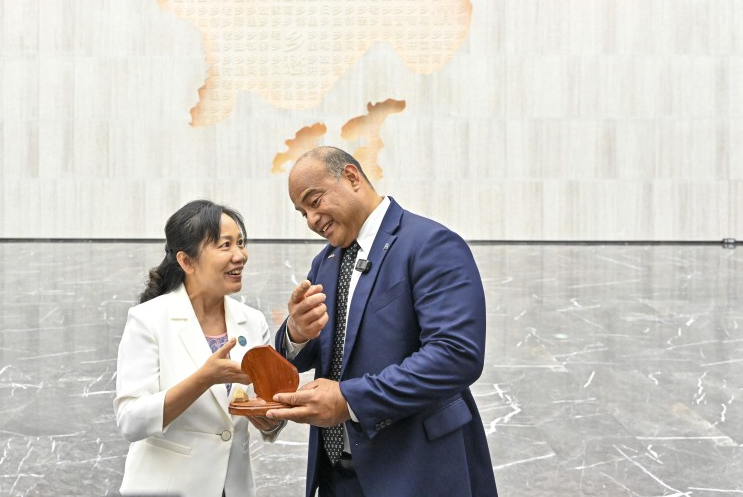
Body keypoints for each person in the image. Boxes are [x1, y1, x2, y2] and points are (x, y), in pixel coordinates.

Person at [267, 147, 498, 497]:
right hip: (337, 478)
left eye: (314, 202)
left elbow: (455, 355)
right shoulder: (325, 262)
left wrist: (349, 400)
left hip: (416, 472)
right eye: (303, 213)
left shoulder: (430, 244)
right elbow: (313, 351)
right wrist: (296, 333)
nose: (312, 220)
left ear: (352, 177)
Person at [114, 200, 284, 497]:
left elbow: (262, 409)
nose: (240, 255)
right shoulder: (148, 320)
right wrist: (204, 378)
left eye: (241, 243)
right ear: (187, 262)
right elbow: (130, 420)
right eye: (225, 245)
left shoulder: (252, 322)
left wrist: (269, 420)